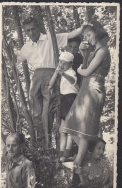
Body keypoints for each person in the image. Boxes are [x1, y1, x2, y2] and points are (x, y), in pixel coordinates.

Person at [16, 16, 85, 148]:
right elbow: (17, 60)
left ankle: (49, 144)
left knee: (47, 110)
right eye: (28, 30)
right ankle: (42, 144)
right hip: (36, 77)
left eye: (33, 29)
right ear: (25, 32)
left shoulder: (49, 38)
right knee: (36, 111)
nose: (31, 33)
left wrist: (85, 27)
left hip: (50, 74)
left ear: (38, 28)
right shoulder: (26, 47)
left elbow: (71, 34)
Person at [62, 21, 111, 169]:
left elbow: (86, 72)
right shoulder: (93, 51)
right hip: (85, 88)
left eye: (89, 34)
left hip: (94, 89)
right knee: (71, 125)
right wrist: (84, 56)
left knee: (83, 131)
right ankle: (84, 157)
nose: (87, 38)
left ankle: (77, 163)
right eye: (85, 36)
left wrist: (77, 69)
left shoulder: (103, 51)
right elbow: (85, 67)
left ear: (97, 32)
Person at [49, 52, 79, 162]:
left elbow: (73, 81)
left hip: (71, 98)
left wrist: (63, 74)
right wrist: (57, 72)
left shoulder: (71, 72)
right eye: (60, 62)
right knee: (62, 129)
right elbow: (51, 84)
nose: (61, 64)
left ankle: (66, 153)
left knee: (69, 128)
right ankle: (62, 153)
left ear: (70, 64)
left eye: (64, 63)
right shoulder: (61, 72)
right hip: (63, 99)